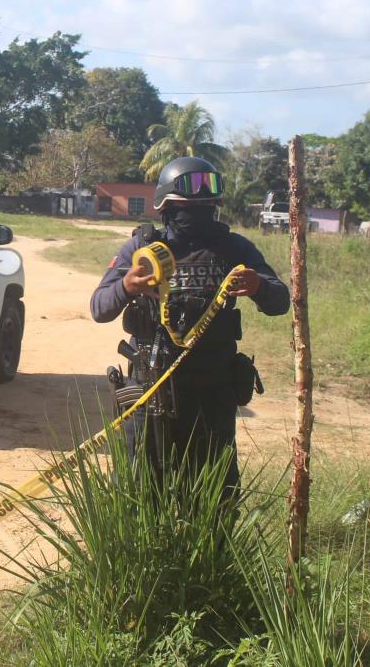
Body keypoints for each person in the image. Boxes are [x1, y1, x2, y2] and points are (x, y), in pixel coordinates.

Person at [90, 157, 290, 495]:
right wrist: (128, 287)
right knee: (138, 491)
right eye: (185, 208)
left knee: (215, 496)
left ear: (215, 207)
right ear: (166, 208)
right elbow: (99, 308)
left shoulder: (233, 248)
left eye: (205, 207)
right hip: (150, 392)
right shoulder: (142, 248)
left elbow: (280, 302)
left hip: (212, 393)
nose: (195, 217)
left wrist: (258, 286)